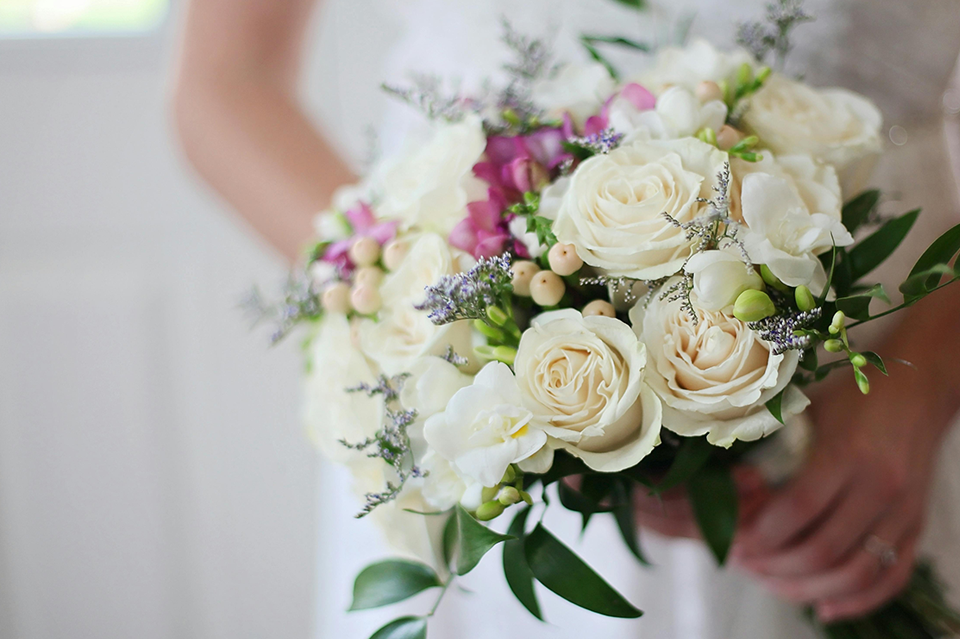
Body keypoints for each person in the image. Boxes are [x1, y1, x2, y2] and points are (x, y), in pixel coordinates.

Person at [171, 0, 960, 635]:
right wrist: (464, 345)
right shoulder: (472, 350)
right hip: (481, 359)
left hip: (888, 355)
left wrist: (922, 394)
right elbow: (225, 82)